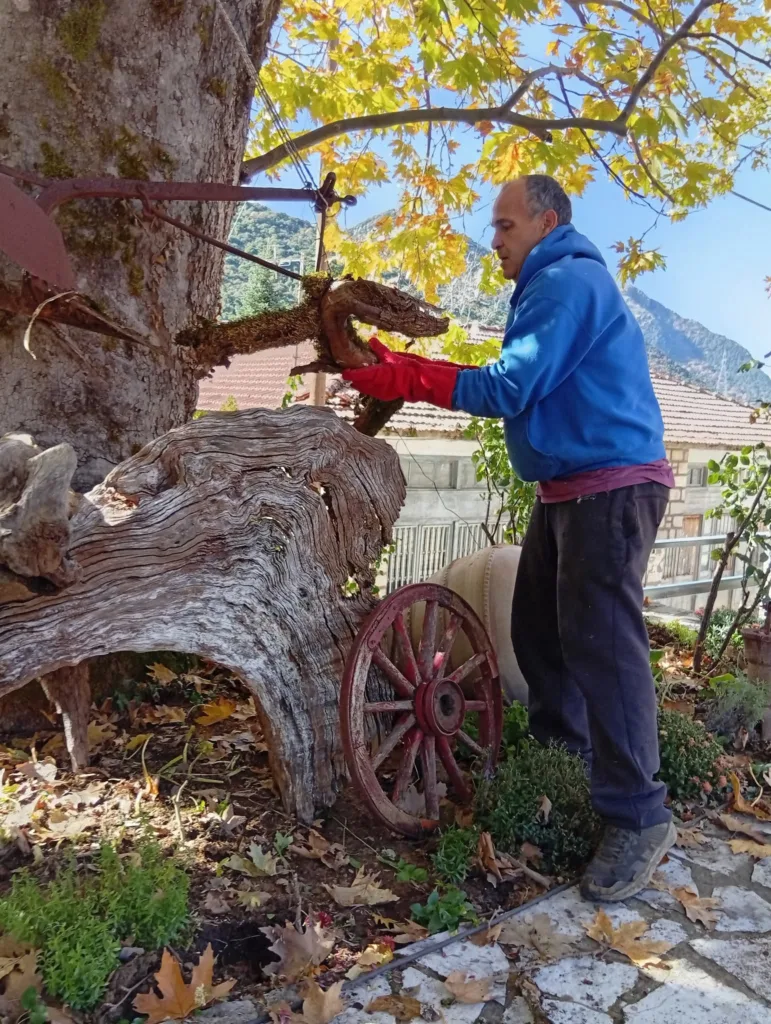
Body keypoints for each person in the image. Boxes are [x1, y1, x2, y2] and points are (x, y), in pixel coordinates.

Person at [342, 174, 677, 902]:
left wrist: (406, 378)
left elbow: (508, 387)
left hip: (612, 486)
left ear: (546, 220)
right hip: (570, 488)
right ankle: (564, 766)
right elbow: (517, 380)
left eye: (503, 226)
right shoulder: (550, 286)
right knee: (538, 631)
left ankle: (639, 816)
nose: (492, 240)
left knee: (602, 646)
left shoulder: (564, 283)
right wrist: (407, 371)